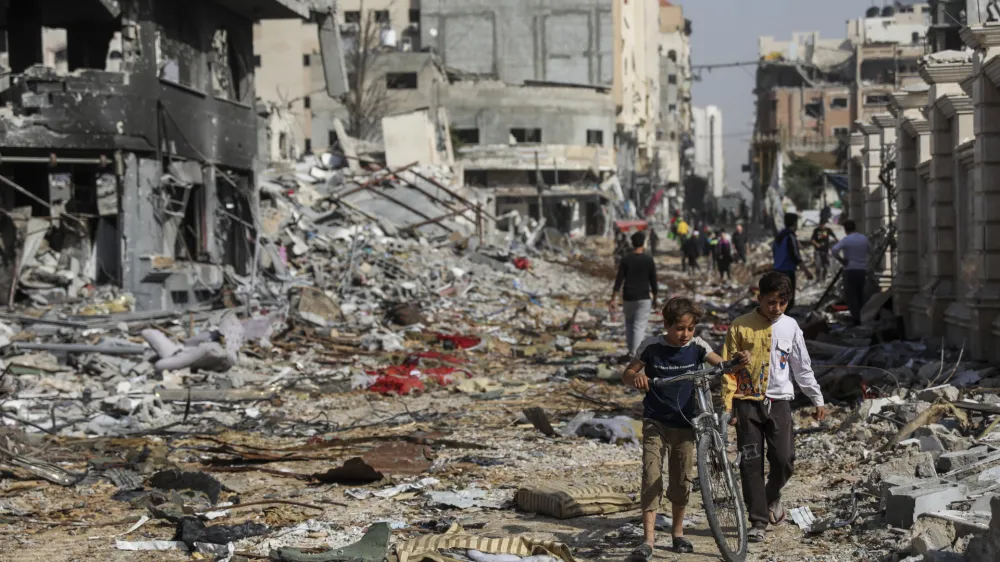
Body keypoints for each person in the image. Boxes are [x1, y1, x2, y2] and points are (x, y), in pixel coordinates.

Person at [623, 298, 749, 560]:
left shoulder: (697, 347)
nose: (685, 335)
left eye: (690, 329)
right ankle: (648, 540)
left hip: (686, 424)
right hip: (655, 421)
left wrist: (736, 361)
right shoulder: (652, 347)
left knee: (681, 480)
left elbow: (721, 365)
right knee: (651, 475)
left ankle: (677, 534)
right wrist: (638, 377)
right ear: (667, 325)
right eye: (680, 328)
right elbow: (628, 373)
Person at [722, 272, 827, 543]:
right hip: (747, 404)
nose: (776, 308)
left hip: (779, 402)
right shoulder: (740, 326)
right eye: (771, 302)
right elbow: (726, 370)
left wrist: (817, 398)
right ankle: (758, 520)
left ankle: (771, 495)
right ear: (759, 299)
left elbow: (802, 367)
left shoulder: (791, 326)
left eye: (782, 302)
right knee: (751, 463)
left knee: (784, 459)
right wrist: (728, 405)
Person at [610, 231, 659, 358]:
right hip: (643, 297)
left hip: (628, 297)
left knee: (629, 324)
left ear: (632, 243)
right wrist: (655, 298)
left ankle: (631, 351)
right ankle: (634, 354)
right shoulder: (648, 260)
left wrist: (613, 298)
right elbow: (653, 281)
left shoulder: (626, 259)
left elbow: (619, 280)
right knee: (639, 326)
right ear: (643, 243)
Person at [831, 220, 869, 326]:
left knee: (851, 295)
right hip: (862, 270)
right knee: (860, 294)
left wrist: (842, 260)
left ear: (845, 230)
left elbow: (834, 250)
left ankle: (856, 319)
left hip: (850, 270)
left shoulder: (846, 240)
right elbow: (870, 249)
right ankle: (862, 316)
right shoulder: (863, 238)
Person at [772, 213, 804, 308]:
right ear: (794, 223)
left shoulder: (779, 236)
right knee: (788, 301)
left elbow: (774, 253)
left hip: (777, 270)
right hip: (787, 272)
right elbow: (795, 256)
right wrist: (806, 271)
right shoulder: (790, 236)